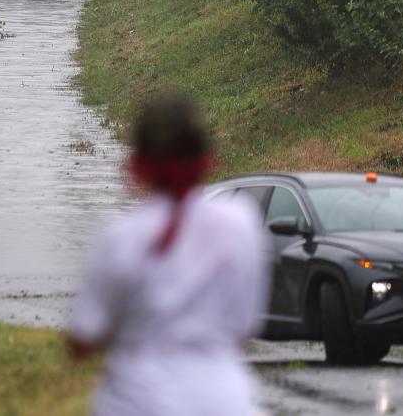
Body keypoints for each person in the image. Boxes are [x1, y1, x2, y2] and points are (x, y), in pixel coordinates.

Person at [66, 94, 268, 416]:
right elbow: (244, 328)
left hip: (136, 401)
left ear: (140, 160)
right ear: (204, 155)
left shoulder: (121, 236)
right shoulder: (242, 223)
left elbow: (83, 339)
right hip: (224, 401)